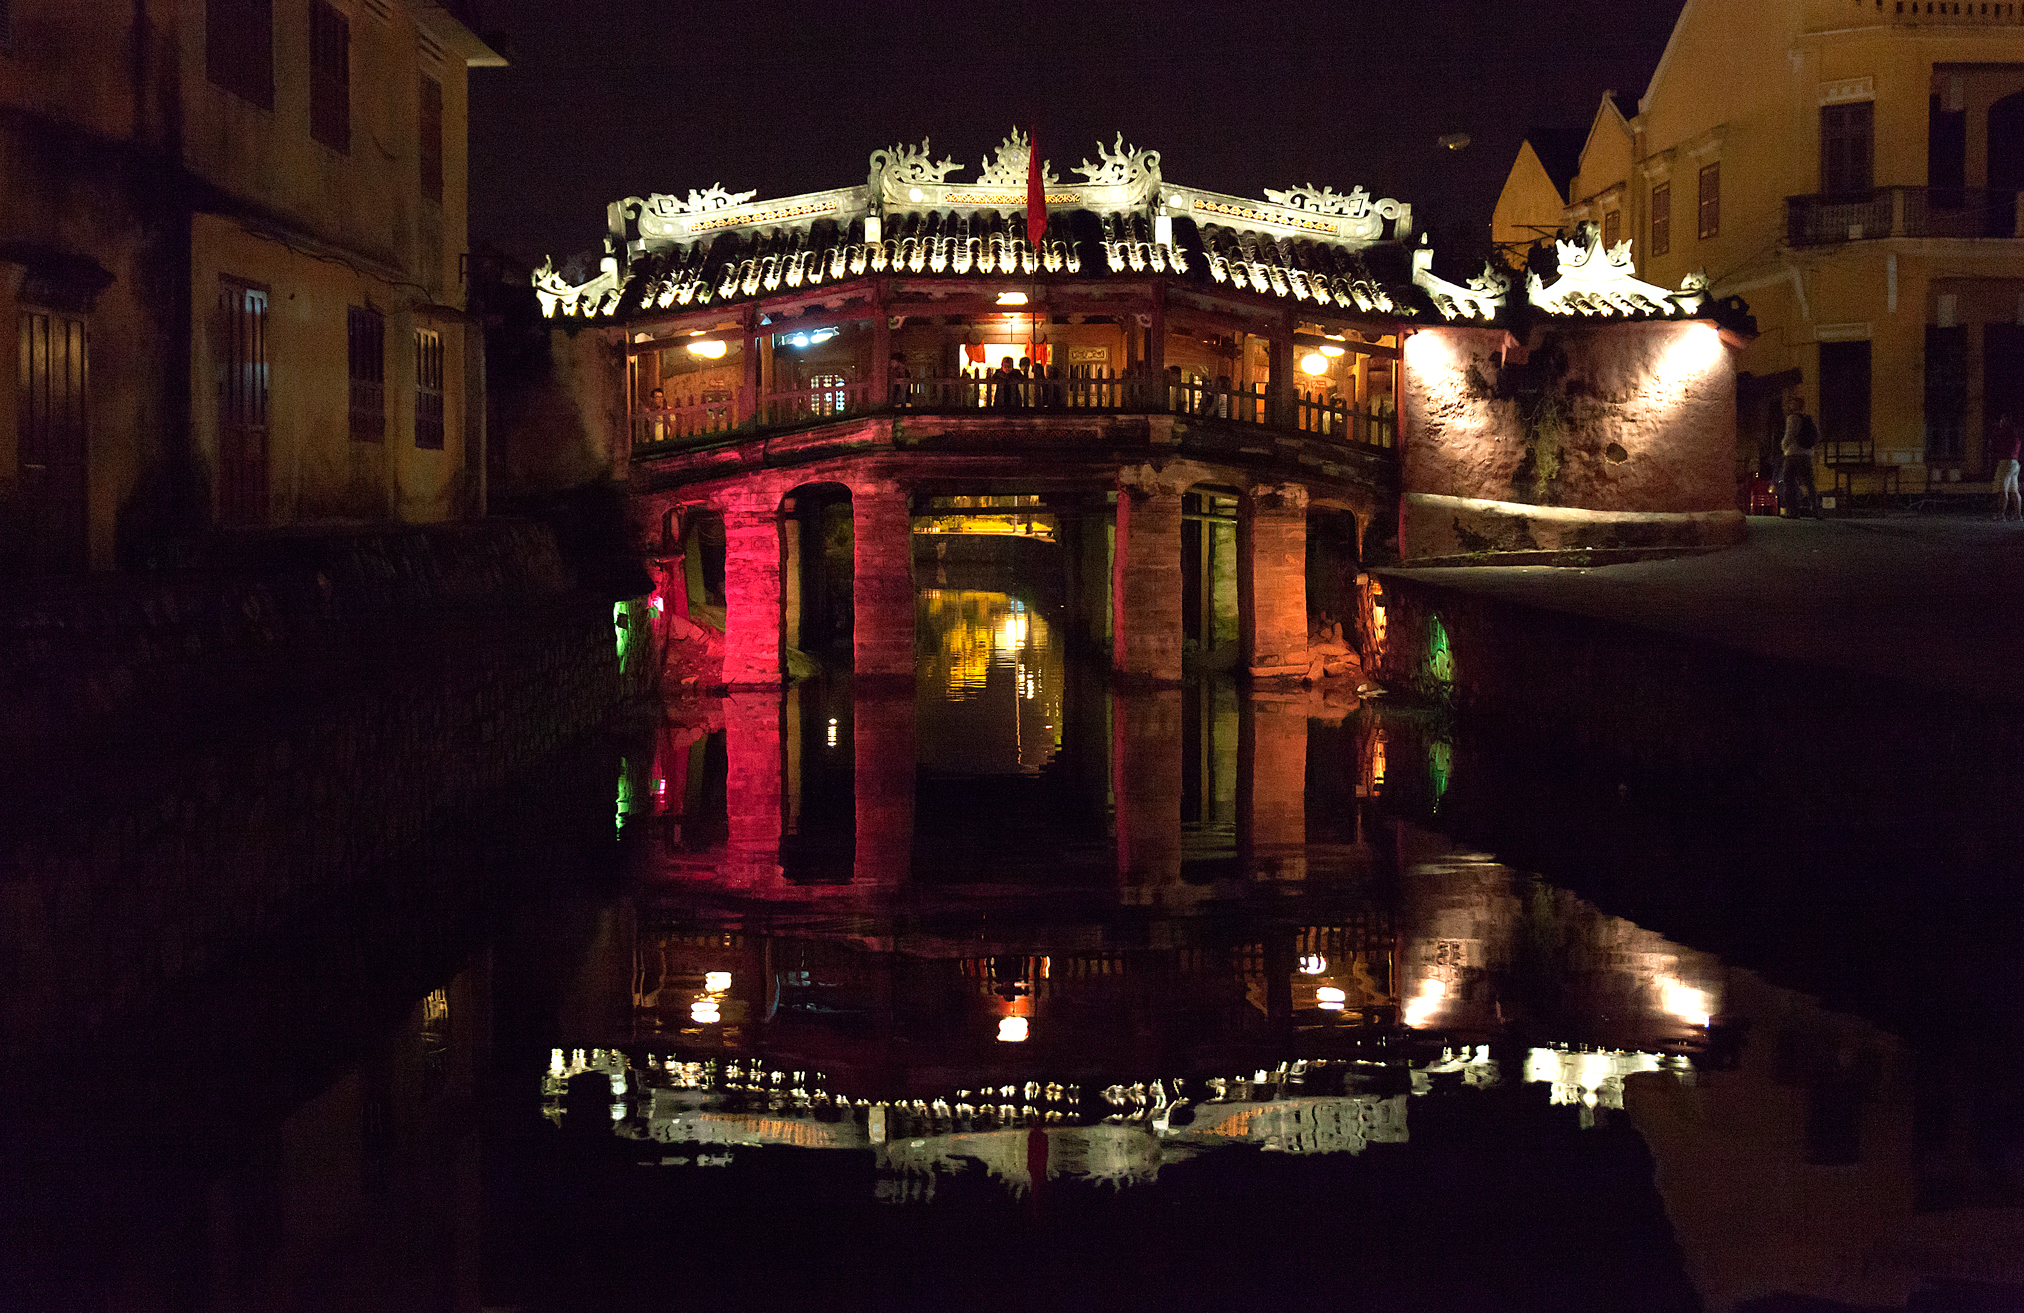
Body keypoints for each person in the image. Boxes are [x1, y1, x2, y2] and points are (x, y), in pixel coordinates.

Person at [1779, 391, 1819, 518]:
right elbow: (1818, 435)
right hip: (1806, 454)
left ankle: (1793, 511)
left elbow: (1789, 435)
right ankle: (1816, 509)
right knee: (1809, 482)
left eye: (1791, 403)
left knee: (1790, 482)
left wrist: (1783, 447)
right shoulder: (1807, 419)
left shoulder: (1792, 418)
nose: (1789, 405)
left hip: (1792, 454)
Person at [1994, 409, 2023, 522]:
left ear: (2007, 420)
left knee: (2003, 490)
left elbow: (1998, 446)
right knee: (2015, 491)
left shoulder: (2005, 432)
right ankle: (2018, 516)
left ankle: (2001, 515)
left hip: (2005, 462)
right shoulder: (2017, 433)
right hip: (2015, 463)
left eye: (2002, 419)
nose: (2001, 421)